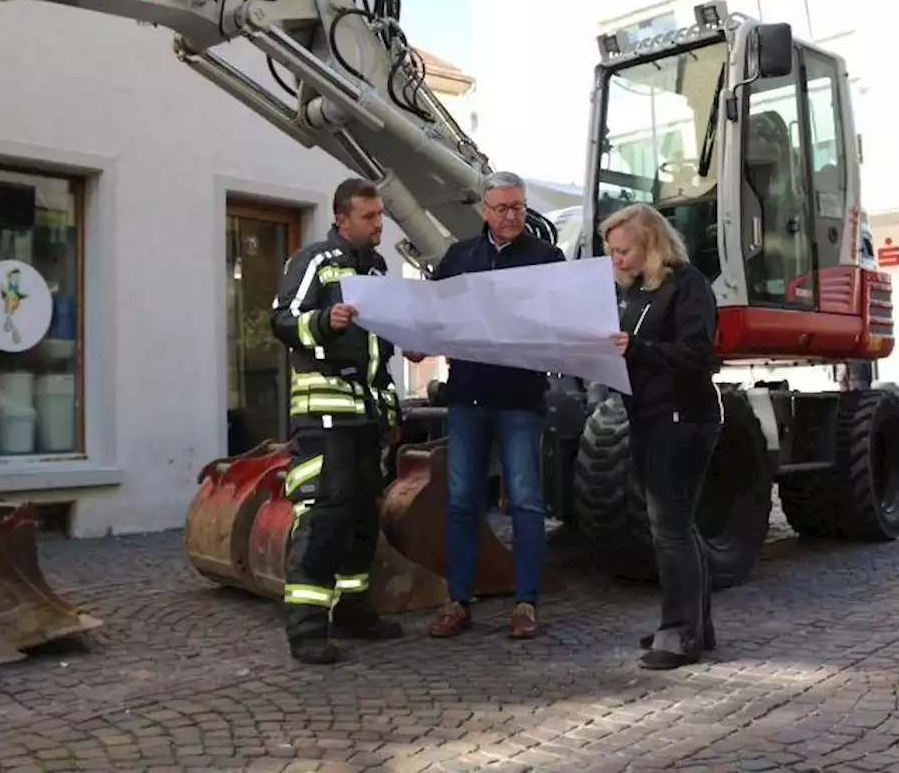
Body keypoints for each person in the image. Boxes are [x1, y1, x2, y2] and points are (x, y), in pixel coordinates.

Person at [416, 171, 566, 641]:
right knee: (461, 502)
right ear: (484, 210)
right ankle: (458, 600)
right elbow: (432, 315)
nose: (511, 217)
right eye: (502, 208)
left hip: (521, 397)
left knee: (525, 501)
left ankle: (526, 603)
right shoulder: (459, 258)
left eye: (518, 207)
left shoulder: (548, 260)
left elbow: (563, 318)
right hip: (467, 396)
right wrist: (417, 343)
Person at [270, 177, 405, 664]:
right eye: (369, 217)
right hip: (324, 414)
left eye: (380, 215)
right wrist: (325, 321)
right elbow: (283, 320)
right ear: (341, 218)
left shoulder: (378, 267)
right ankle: (306, 630)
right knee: (325, 516)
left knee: (363, 516)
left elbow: (377, 340)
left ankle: (352, 609)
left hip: (366, 415)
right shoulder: (314, 263)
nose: (378, 225)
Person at [603, 202, 722, 671]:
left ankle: (679, 633)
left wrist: (637, 349)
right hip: (650, 417)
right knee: (676, 526)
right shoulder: (636, 293)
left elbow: (697, 354)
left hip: (683, 417)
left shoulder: (687, 284)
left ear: (650, 243)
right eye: (611, 252)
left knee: (669, 527)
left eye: (623, 250)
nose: (616, 260)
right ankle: (695, 626)